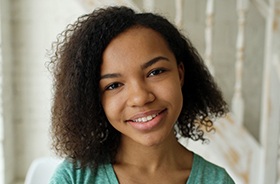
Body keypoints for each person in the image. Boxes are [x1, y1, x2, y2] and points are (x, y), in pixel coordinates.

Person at [49, 6, 234, 184]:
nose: (140, 98)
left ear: (180, 74)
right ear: (94, 99)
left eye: (155, 72)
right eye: (114, 85)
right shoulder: (74, 179)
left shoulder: (217, 181)